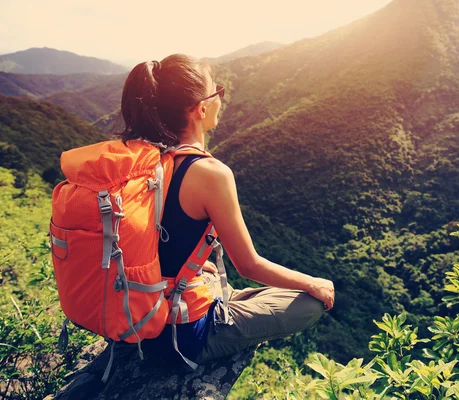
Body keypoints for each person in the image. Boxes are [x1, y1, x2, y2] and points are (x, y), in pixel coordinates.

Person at [118, 54, 334, 364]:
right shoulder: (210, 174)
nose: (221, 98)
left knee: (215, 278)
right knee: (309, 304)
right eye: (216, 91)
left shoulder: (141, 161)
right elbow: (249, 266)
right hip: (179, 336)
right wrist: (314, 283)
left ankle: (215, 297)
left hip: (136, 314)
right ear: (201, 108)